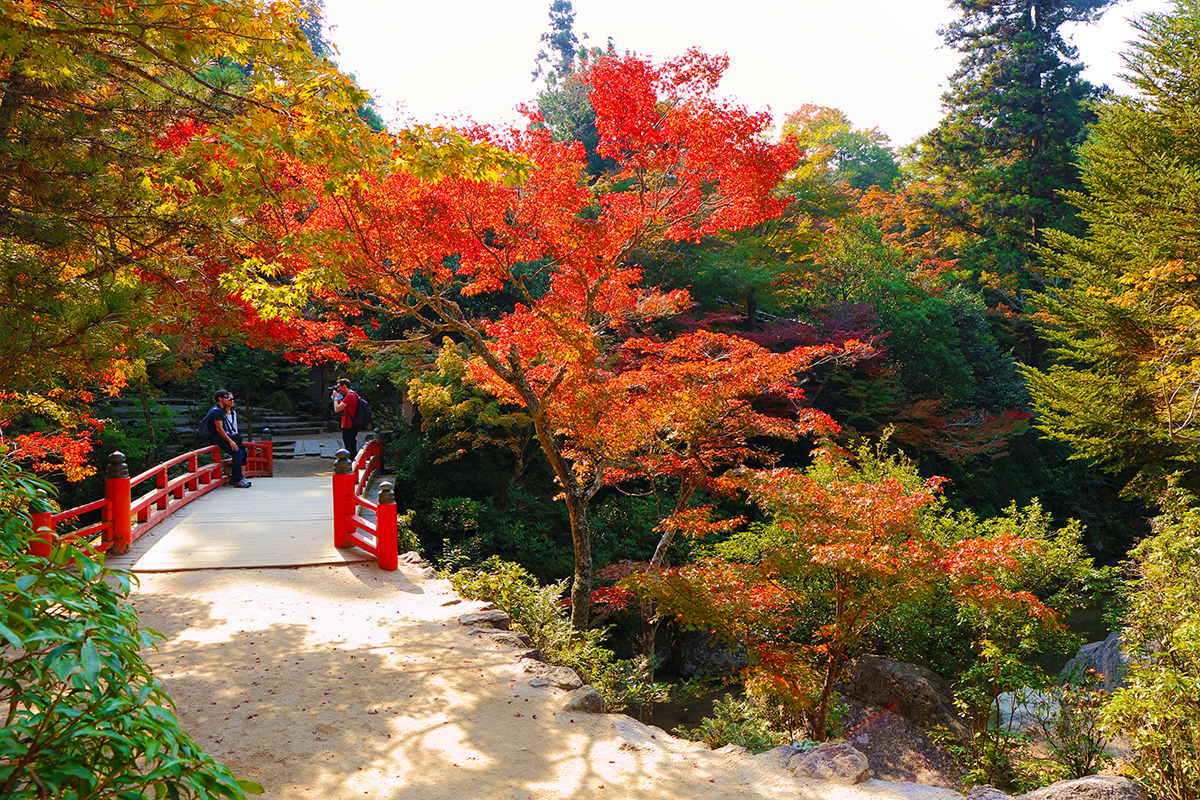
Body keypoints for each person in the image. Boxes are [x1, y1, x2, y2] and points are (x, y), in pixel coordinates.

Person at [204, 389, 251, 488]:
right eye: (226, 397)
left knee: (242, 450)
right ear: (220, 399)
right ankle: (237, 479)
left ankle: (238, 477)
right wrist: (230, 441)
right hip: (217, 438)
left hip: (221, 437)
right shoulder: (217, 411)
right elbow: (219, 429)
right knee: (238, 453)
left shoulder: (219, 410)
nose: (228, 399)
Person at [332, 378, 360, 456]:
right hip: (351, 425)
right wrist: (338, 397)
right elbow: (342, 407)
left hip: (349, 425)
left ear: (344, 386)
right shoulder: (353, 394)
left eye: (338, 387)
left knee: (350, 449)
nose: (337, 389)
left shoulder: (350, 396)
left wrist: (335, 398)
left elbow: (337, 409)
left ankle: (352, 465)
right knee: (351, 446)